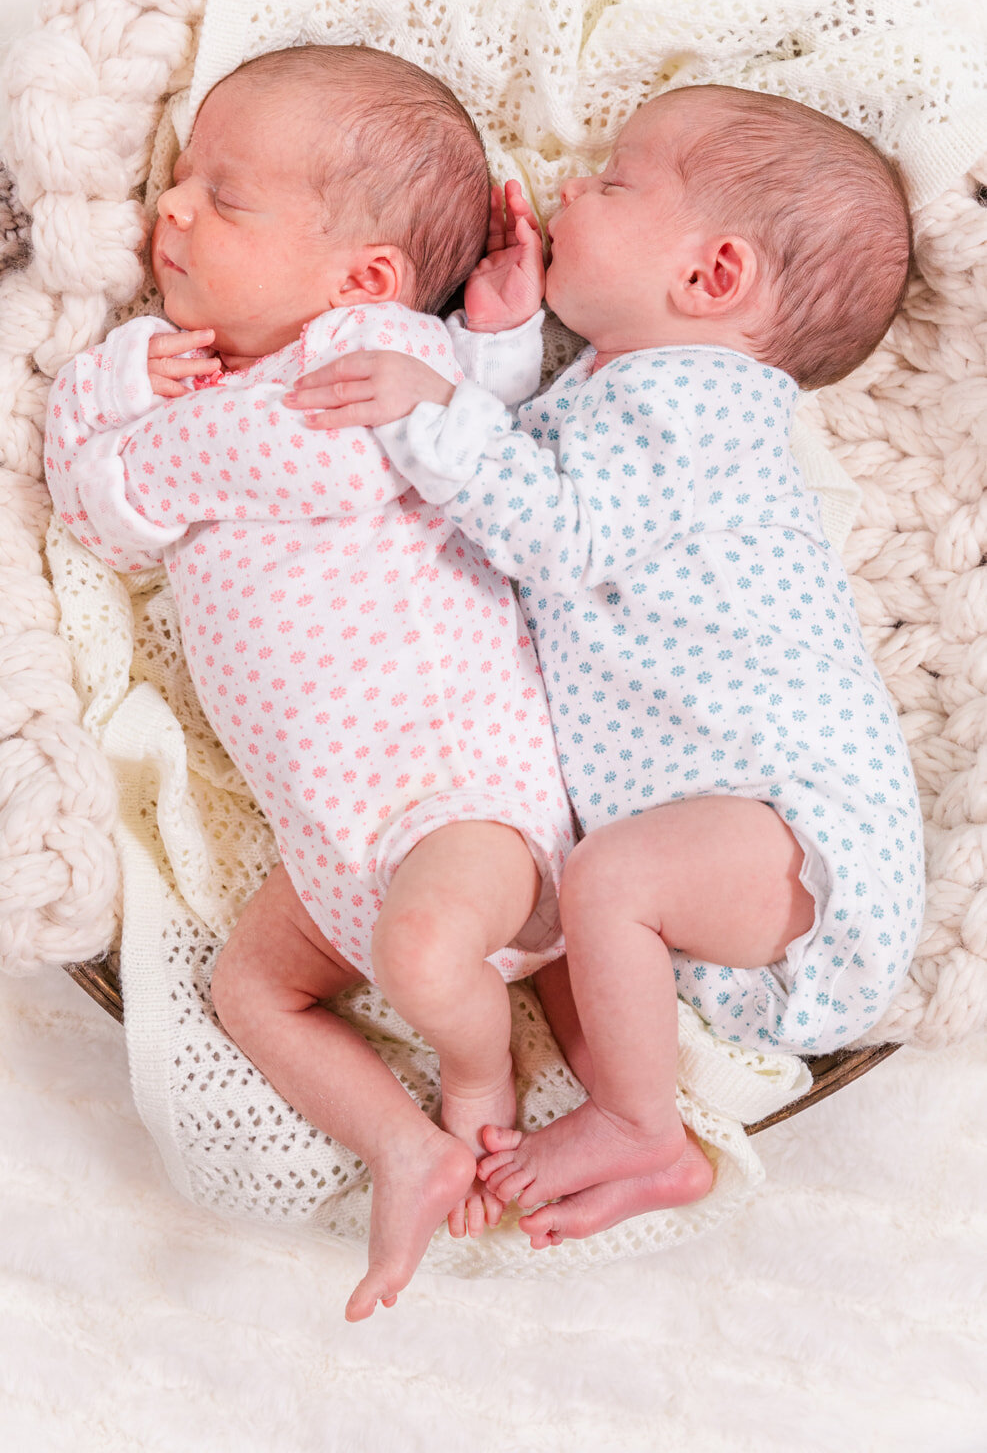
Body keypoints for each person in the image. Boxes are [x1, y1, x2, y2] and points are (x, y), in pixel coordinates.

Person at [285, 83, 927, 1249]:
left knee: (607, 883)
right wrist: (497, 344)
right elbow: (526, 474)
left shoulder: (703, 403)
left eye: (615, 180)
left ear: (713, 275)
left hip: (798, 824)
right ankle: (656, 1142)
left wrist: (431, 406)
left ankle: (632, 1121)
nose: (576, 184)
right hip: (732, 838)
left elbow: (555, 527)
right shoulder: (618, 390)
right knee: (568, 924)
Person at [44, 43, 576, 1320]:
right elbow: (89, 509)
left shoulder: (359, 373)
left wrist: (495, 343)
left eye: (224, 201)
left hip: (462, 798)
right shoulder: (201, 386)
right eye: (181, 183)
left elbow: (434, 444)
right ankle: (402, 1144)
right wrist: (119, 376)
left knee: (422, 939)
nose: (170, 210)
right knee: (248, 988)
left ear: (366, 280)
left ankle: (476, 1077)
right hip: (327, 843)